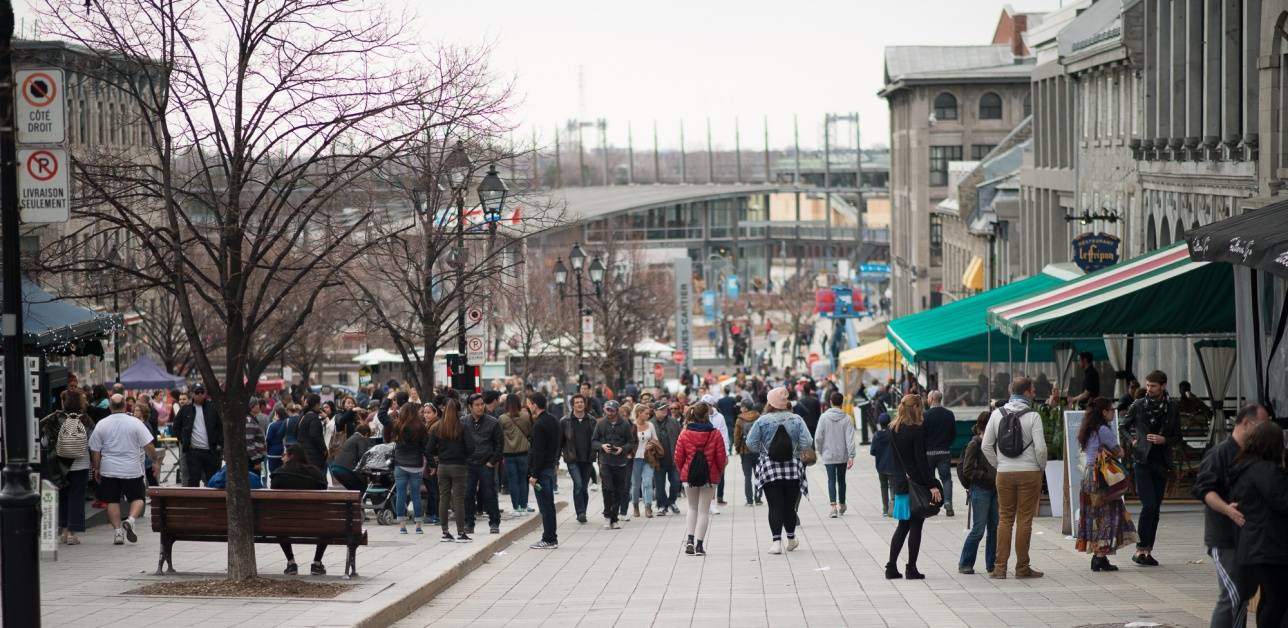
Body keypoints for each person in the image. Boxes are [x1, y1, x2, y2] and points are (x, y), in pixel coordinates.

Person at [1194, 403, 1269, 628]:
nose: (1265, 432)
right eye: (1263, 426)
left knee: (1242, 596)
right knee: (1232, 595)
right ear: (1247, 423)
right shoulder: (1219, 453)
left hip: (1246, 537)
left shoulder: (1252, 455)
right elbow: (1204, 489)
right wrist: (1227, 509)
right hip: (1224, 536)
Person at [982, 376, 1048, 579]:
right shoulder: (1033, 416)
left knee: (1005, 519)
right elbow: (1041, 448)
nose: (1035, 394)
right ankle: (1022, 568)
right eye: (1034, 390)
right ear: (1027, 392)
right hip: (1030, 473)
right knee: (1024, 520)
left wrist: (999, 464)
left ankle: (1000, 568)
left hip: (1004, 473)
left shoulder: (996, 414)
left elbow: (986, 446)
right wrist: (1040, 467)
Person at [1229, 420, 1288, 628]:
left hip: (1255, 543)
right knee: (1277, 600)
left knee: (1269, 599)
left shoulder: (1245, 466)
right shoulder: (1266, 470)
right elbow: (1282, 500)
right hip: (1269, 545)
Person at [1120, 369, 1181, 567]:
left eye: (1153, 386)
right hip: (1142, 460)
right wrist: (1133, 440)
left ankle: (1148, 551)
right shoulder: (1138, 405)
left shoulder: (1172, 406)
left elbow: (1178, 437)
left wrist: (1164, 440)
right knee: (1149, 505)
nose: (1149, 389)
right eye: (1147, 385)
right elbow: (1123, 426)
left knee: (1156, 509)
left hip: (1162, 462)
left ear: (1163, 386)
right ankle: (1140, 549)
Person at [745, 387, 813, 555]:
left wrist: (764, 450)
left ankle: (776, 542)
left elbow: (750, 443)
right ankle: (791, 539)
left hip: (770, 468)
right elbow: (807, 441)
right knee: (789, 506)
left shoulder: (762, 421)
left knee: (774, 505)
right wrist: (796, 450)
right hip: (793, 467)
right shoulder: (796, 419)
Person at [1074, 397, 1138, 571]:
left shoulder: (1087, 429)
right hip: (1102, 477)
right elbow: (1119, 452)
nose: (1112, 412)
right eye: (1111, 410)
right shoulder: (1103, 429)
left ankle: (1098, 556)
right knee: (1107, 515)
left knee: (1094, 515)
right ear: (1104, 412)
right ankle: (1100, 557)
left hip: (1089, 475)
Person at [884, 394, 943, 579]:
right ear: (916, 407)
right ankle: (911, 568)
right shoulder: (916, 430)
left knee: (903, 526)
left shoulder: (893, 428)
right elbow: (921, 462)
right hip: (916, 483)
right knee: (916, 525)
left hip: (900, 483)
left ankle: (891, 567)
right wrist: (931, 484)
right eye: (921, 407)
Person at [88, 394, 158, 546]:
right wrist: (155, 460)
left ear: (110, 407)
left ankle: (118, 533)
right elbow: (148, 446)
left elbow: (95, 451)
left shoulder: (101, 424)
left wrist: (97, 468)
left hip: (109, 468)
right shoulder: (135, 423)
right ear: (126, 406)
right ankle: (131, 520)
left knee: (112, 500)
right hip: (131, 468)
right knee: (138, 498)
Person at [674, 402, 728, 556]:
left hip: (689, 475)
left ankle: (689, 540)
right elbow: (721, 457)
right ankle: (699, 545)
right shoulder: (715, 433)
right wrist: (718, 473)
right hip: (710, 477)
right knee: (704, 510)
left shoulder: (684, 433)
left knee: (692, 508)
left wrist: (684, 471)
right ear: (707, 415)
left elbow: (678, 457)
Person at [271, 444, 330, 575]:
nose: (282, 457)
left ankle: (291, 563)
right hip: (315, 522)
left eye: (284, 454)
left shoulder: (279, 474)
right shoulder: (315, 472)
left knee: (278, 523)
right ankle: (316, 563)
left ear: (291, 456)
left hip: (285, 523)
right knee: (327, 525)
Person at [428, 398, 476, 542]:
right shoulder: (463, 426)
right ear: (458, 410)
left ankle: (445, 532)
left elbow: (428, 449)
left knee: (444, 498)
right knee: (459, 500)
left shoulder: (437, 427)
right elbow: (471, 447)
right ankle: (461, 532)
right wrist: (464, 457)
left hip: (442, 467)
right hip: (459, 467)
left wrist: (435, 462)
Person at [51, 388, 94, 545]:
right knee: (76, 497)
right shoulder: (85, 419)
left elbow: (44, 441)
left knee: (62, 496)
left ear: (64, 402)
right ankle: (72, 533)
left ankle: (63, 530)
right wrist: (96, 464)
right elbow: (92, 443)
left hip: (60, 464)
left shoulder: (56, 418)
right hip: (80, 464)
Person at [958, 410, 997, 575]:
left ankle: (992, 564)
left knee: (994, 528)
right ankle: (965, 563)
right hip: (980, 489)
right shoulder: (975, 444)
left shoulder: (995, 443)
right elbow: (967, 470)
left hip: (995, 489)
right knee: (979, 528)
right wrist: (987, 477)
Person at [591, 396, 636, 530]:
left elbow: (631, 442)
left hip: (621, 462)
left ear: (617, 411)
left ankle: (615, 517)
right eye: (607, 410)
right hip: (605, 462)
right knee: (607, 489)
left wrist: (622, 449)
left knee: (618, 491)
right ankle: (607, 516)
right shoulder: (600, 424)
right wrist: (602, 446)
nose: (609, 412)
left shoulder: (625, 424)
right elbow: (593, 441)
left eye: (612, 410)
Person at [462, 394, 503, 534]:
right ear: (470, 407)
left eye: (481, 404)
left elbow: (499, 445)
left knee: (489, 493)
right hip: (469, 464)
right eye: (477, 405)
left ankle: (494, 522)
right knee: (468, 494)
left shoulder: (493, 422)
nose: (480, 407)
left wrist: (492, 462)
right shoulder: (463, 422)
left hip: (486, 463)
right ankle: (469, 523)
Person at [526, 392, 561, 549]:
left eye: (528, 403)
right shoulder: (553, 420)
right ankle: (551, 537)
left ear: (534, 404)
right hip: (549, 466)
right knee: (549, 505)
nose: (527, 407)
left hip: (542, 470)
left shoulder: (539, 424)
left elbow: (538, 452)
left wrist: (534, 474)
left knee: (545, 506)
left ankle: (549, 538)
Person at [814, 392, 856, 518]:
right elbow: (850, 439)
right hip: (842, 454)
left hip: (828, 454)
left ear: (830, 402)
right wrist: (851, 455)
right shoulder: (847, 418)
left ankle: (833, 507)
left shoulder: (823, 417)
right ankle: (842, 504)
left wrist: (820, 450)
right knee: (841, 480)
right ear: (841, 402)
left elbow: (818, 437)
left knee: (831, 480)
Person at [391, 402, 430, 534]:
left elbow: (382, 417)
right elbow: (426, 448)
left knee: (400, 495)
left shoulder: (397, 425)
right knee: (416, 495)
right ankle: (418, 526)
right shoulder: (421, 427)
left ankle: (402, 526)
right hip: (416, 465)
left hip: (400, 464)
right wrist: (432, 464)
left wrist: (387, 402)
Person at [174, 384, 222, 487]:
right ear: (192, 394)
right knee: (193, 480)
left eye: (202, 392)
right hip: (194, 452)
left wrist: (219, 444)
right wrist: (184, 441)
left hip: (211, 451)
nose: (200, 395)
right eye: (197, 392)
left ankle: (210, 502)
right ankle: (193, 502)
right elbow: (176, 427)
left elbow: (220, 427)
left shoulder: (213, 408)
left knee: (212, 480)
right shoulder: (185, 409)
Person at [560, 395, 597, 524]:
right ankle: (580, 512)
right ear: (573, 405)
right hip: (572, 459)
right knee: (578, 484)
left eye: (582, 402)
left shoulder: (592, 420)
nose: (580, 404)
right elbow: (560, 441)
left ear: (585, 404)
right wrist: (556, 459)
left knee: (584, 487)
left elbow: (596, 439)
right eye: (577, 402)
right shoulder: (565, 421)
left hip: (587, 459)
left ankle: (583, 512)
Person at [922, 390, 957, 517]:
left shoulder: (925, 415)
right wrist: (947, 445)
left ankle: (931, 505)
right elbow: (953, 433)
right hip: (944, 452)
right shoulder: (949, 414)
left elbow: (922, 435)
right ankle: (948, 503)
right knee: (946, 479)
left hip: (929, 453)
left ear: (931, 399)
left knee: (929, 479)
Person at [499, 393, 533, 515]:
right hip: (523, 453)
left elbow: (499, 436)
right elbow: (530, 432)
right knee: (523, 480)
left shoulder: (502, 418)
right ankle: (524, 507)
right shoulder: (525, 416)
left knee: (513, 480)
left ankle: (516, 508)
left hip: (508, 454)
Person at [652, 401, 683, 516]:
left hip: (673, 459)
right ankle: (661, 505)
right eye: (661, 409)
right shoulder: (650, 424)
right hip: (658, 460)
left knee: (675, 482)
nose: (665, 410)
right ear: (655, 411)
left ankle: (672, 501)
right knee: (659, 485)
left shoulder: (674, 422)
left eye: (665, 408)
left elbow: (681, 439)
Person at [630, 404, 658, 519]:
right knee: (636, 484)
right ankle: (635, 505)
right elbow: (628, 441)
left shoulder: (650, 425)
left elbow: (655, 439)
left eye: (648, 413)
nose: (648, 415)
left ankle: (648, 507)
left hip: (648, 457)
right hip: (635, 458)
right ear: (639, 413)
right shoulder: (632, 426)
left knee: (647, 482)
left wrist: (651, 445)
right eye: (646, 413)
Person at [732, 398, 761, 506]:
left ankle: (749, 500)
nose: (740, 408)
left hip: (745, 450)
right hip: (757, 450)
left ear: (745, 408)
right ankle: (758, 498)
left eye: (741, 406)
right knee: (758, 475)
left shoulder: (740, 419)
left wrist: (737, 447)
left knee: (747, 476)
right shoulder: (758, 417)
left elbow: (736, 436)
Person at [330, 423, 373, 493]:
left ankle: (350, 503)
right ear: (366, 433)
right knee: (362, 489)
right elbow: (362, 456)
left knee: (352, 491)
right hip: (346, 470)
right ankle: (361, 503)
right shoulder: (361, 438)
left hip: (336, 468)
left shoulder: (351, 438)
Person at [870, 413, 895, 516]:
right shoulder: (893, 434)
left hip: (880, 466)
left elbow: (872, 451)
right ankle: (892, 507)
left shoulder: (876, 435)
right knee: (893, 486)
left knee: (883, 487)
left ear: (880, 424)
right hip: (893, 465)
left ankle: (885, 508)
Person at [296, 393, 328, 468]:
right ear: (316, 404)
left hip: (304, 453)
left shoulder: (304, 416)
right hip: (314, 456)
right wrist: (324, 449)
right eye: (319, 404)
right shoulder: (314, 418)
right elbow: (315, 435)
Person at [264, 405, 289, 474]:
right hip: (286, 453)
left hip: (273, 453)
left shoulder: (272, 425)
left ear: (277, 414)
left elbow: (268, 439)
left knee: (273, 473)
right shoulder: (288, 423)